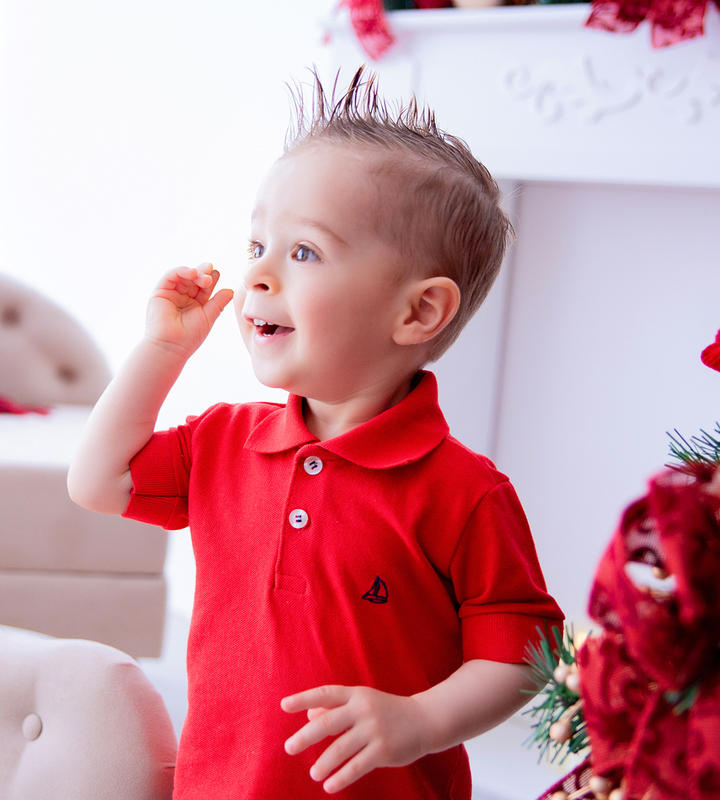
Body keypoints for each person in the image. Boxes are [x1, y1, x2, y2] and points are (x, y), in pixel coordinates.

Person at [68, 69, 564, 799]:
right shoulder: (222, 441)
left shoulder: (464, 492)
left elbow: (524, 654)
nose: (259, 274)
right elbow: (96, 481)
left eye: (303, 252)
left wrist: (422, 720)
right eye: (257, 244)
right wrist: (161, 352)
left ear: (419, 312)